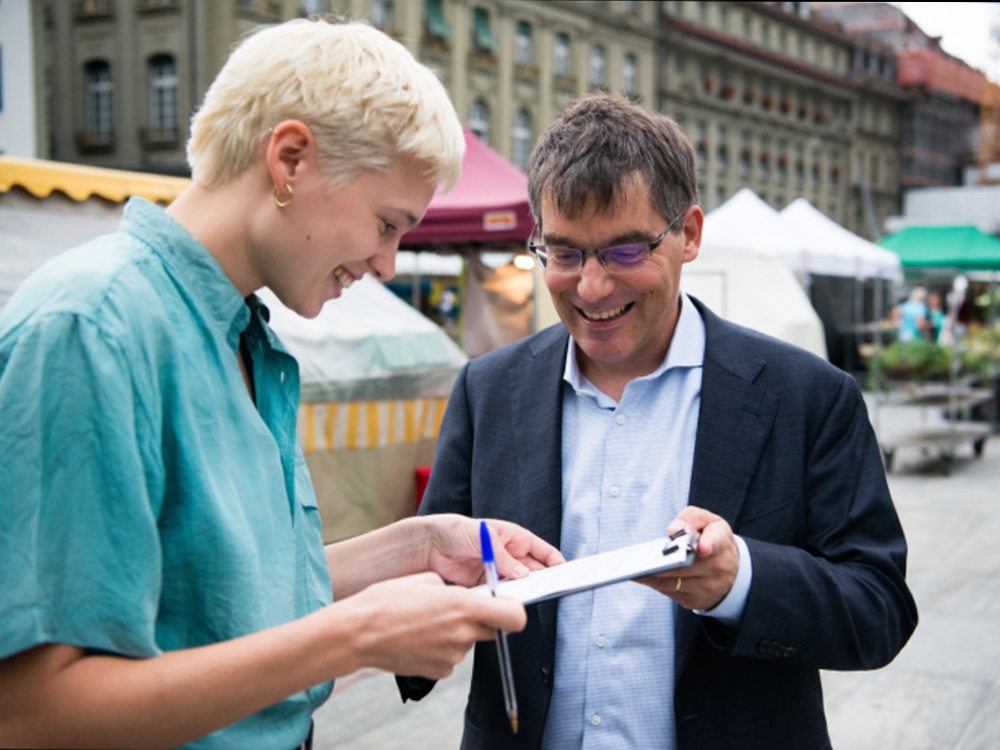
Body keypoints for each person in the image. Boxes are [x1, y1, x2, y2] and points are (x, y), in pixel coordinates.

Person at [0, 19, 564, 750]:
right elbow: (34, 711)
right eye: (388, 223)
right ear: (290, 159)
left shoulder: (240, 333)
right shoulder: (92, 327)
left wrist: (419, 544)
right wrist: (352, 637)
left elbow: (224, 600)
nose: (389, 262)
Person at [400, 93, 918, 749]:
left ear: (690, 234)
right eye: (563, 254)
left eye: (623, 251)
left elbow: (878, 609)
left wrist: (740, 582)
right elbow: (432, 586)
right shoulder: (488, 388)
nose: (590, 287)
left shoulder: (807, 395)